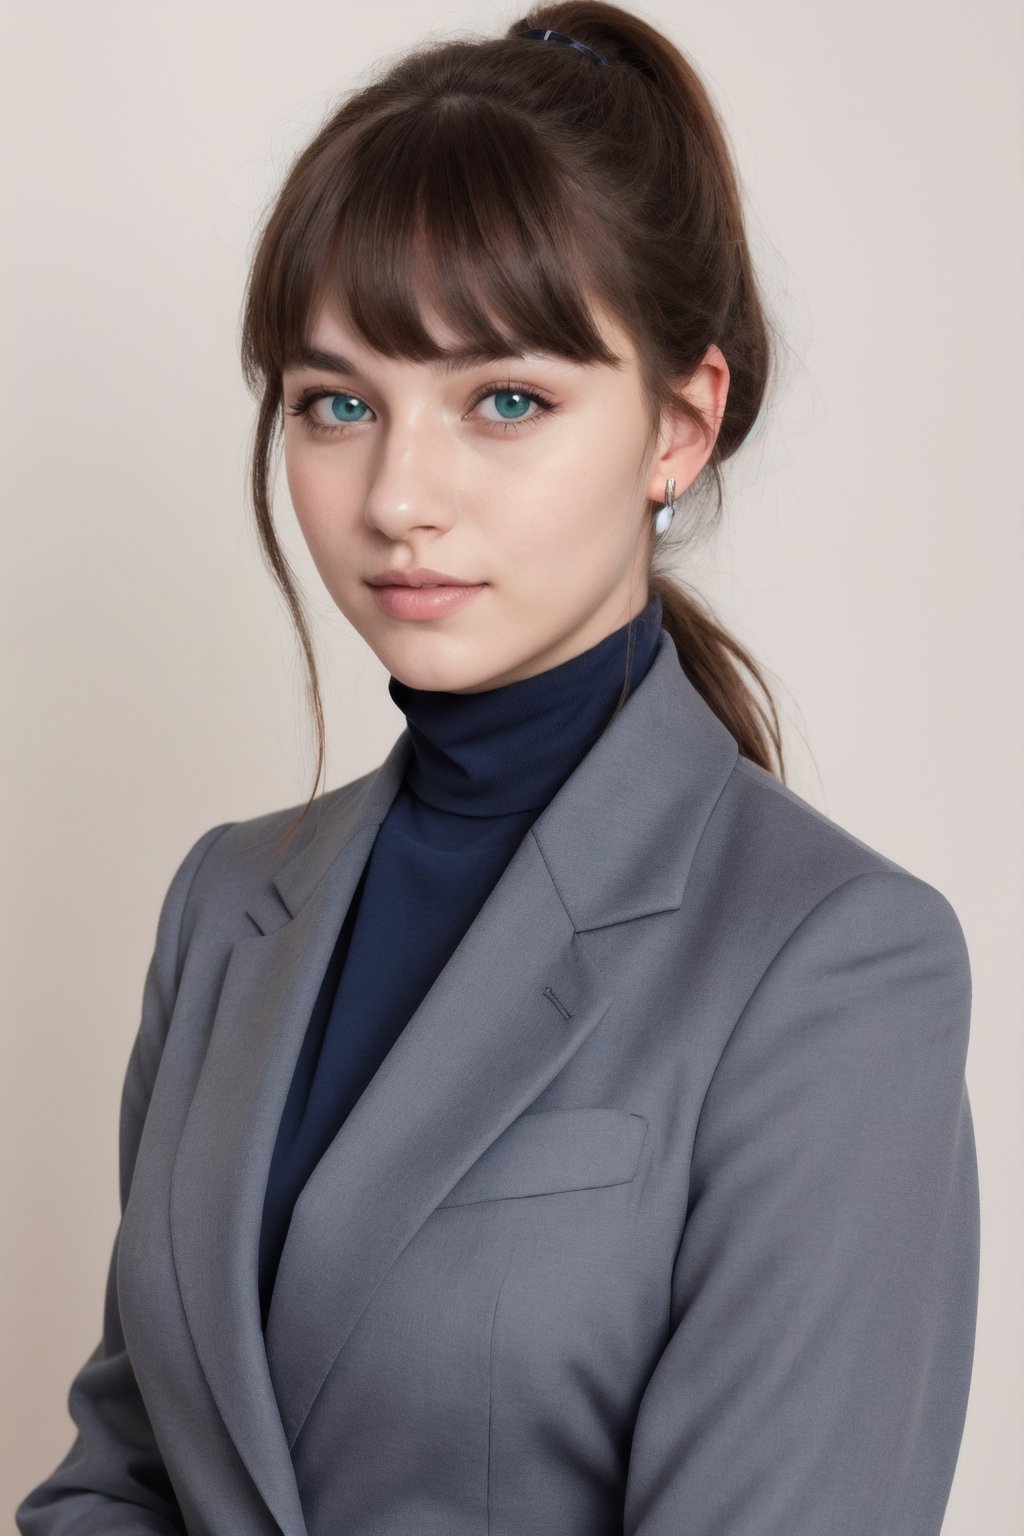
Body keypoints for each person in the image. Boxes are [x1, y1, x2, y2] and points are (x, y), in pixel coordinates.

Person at [16, 4, 979, 1533]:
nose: (401, 495)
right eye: (339, 403)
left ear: (681, 422)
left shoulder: (835, 964)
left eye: (506, 401)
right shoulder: (226, 907)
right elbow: (123, 1475)